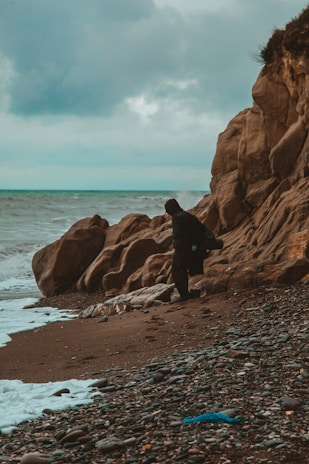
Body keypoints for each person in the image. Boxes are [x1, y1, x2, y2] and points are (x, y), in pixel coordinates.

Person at [165, 198, 207, 301]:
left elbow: (177, 235)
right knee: (187, 271)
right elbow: (201, 230)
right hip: (194, 248)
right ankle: (190, 293)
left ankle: (184, 295)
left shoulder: (176, 218)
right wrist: (194, 247)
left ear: (172, 208)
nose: (166, 212)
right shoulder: (189, 216)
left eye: (167, 209)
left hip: (183, 249)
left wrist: (177, 246)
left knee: (177, 271)